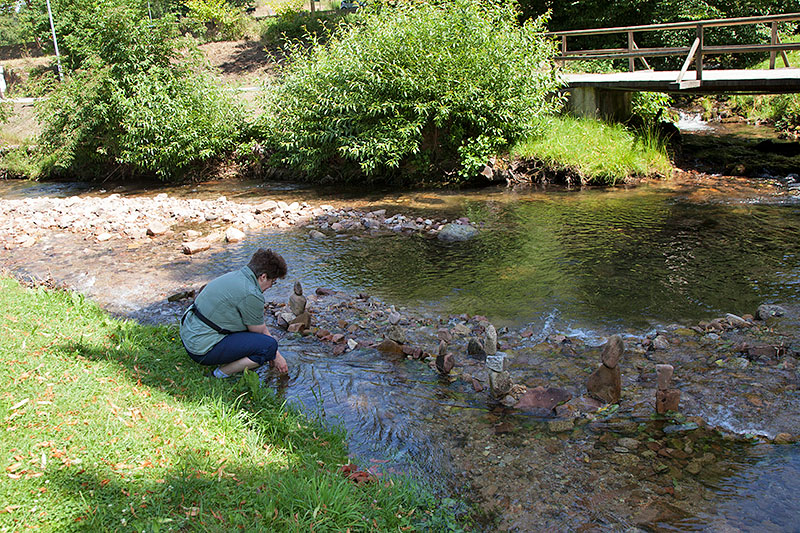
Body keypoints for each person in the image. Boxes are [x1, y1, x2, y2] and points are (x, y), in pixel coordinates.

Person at [180, 248, 289, 378]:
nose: (271, 286)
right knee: (269, 346)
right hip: (201, 350)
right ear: (263, 276)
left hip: (189, 335)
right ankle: (220, 374)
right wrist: (276, 355)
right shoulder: (251, 293)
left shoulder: (236, 276)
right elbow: (259, 331)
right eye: (273, 281)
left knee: (260, 341)